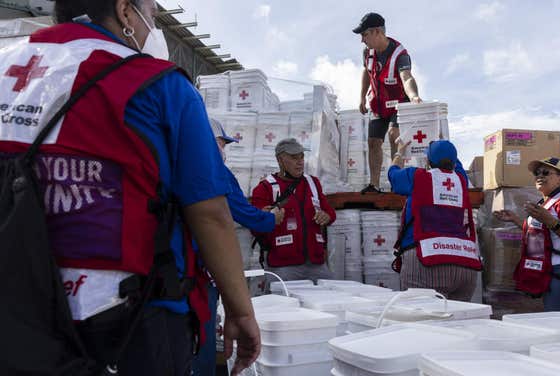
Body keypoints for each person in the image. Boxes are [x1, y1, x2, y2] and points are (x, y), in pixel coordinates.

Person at [0, 1, 259, 375]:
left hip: (15, 311)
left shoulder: (7, 66)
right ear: (125, 12)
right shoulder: (161, 84)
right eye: (152, 14)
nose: (153, 27)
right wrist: (240, 311)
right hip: (129, 321)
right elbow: (210, 214)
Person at [193, 118, 284, 375]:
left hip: (167, 273)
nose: (225, 151)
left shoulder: (168, 166)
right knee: (202, 337)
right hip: (200, 273)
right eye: (223, 144)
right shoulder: (213, 170)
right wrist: (271, 218)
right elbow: (240, 212)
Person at [493, 157, 560, 312]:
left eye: (546, 172)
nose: (540, 176)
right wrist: (515, 219)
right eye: (537, 173)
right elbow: (541, 234)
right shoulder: (544, 203)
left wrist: (549, 220)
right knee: (554, 322)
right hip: (550, 270)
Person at [389, 140, 481, 301]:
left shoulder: (416, 176)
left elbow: (393, 174)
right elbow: (455, 164)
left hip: (425, 260)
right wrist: (443, 139)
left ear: (427, 161)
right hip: (464, 263)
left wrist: (399, 153)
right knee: (459, 323)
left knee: (424, 322)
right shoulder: (460, 180)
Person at [353, 12, 422, 194]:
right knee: (373, 142)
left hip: (398, 103)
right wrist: (361, 97)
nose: (362, 40)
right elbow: (366, 73)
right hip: (378, 104)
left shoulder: (400, 54)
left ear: (377, 32)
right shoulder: (367, 53)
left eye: (364, 35)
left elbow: (406, 78)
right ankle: (374, 185)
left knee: (394, 135)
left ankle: (396, 183)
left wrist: (414, 96)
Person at [250, 138, 336, 282]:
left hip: (316, 265)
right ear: (280, 160)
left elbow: (330, 213)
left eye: (302, 156)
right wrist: (265, 217)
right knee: (283, 303)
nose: (300, 161)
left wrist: (326, 216)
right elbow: (255, 226)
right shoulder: (265, 188)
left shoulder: (313, 183)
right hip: (283, 267)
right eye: (294, 157)